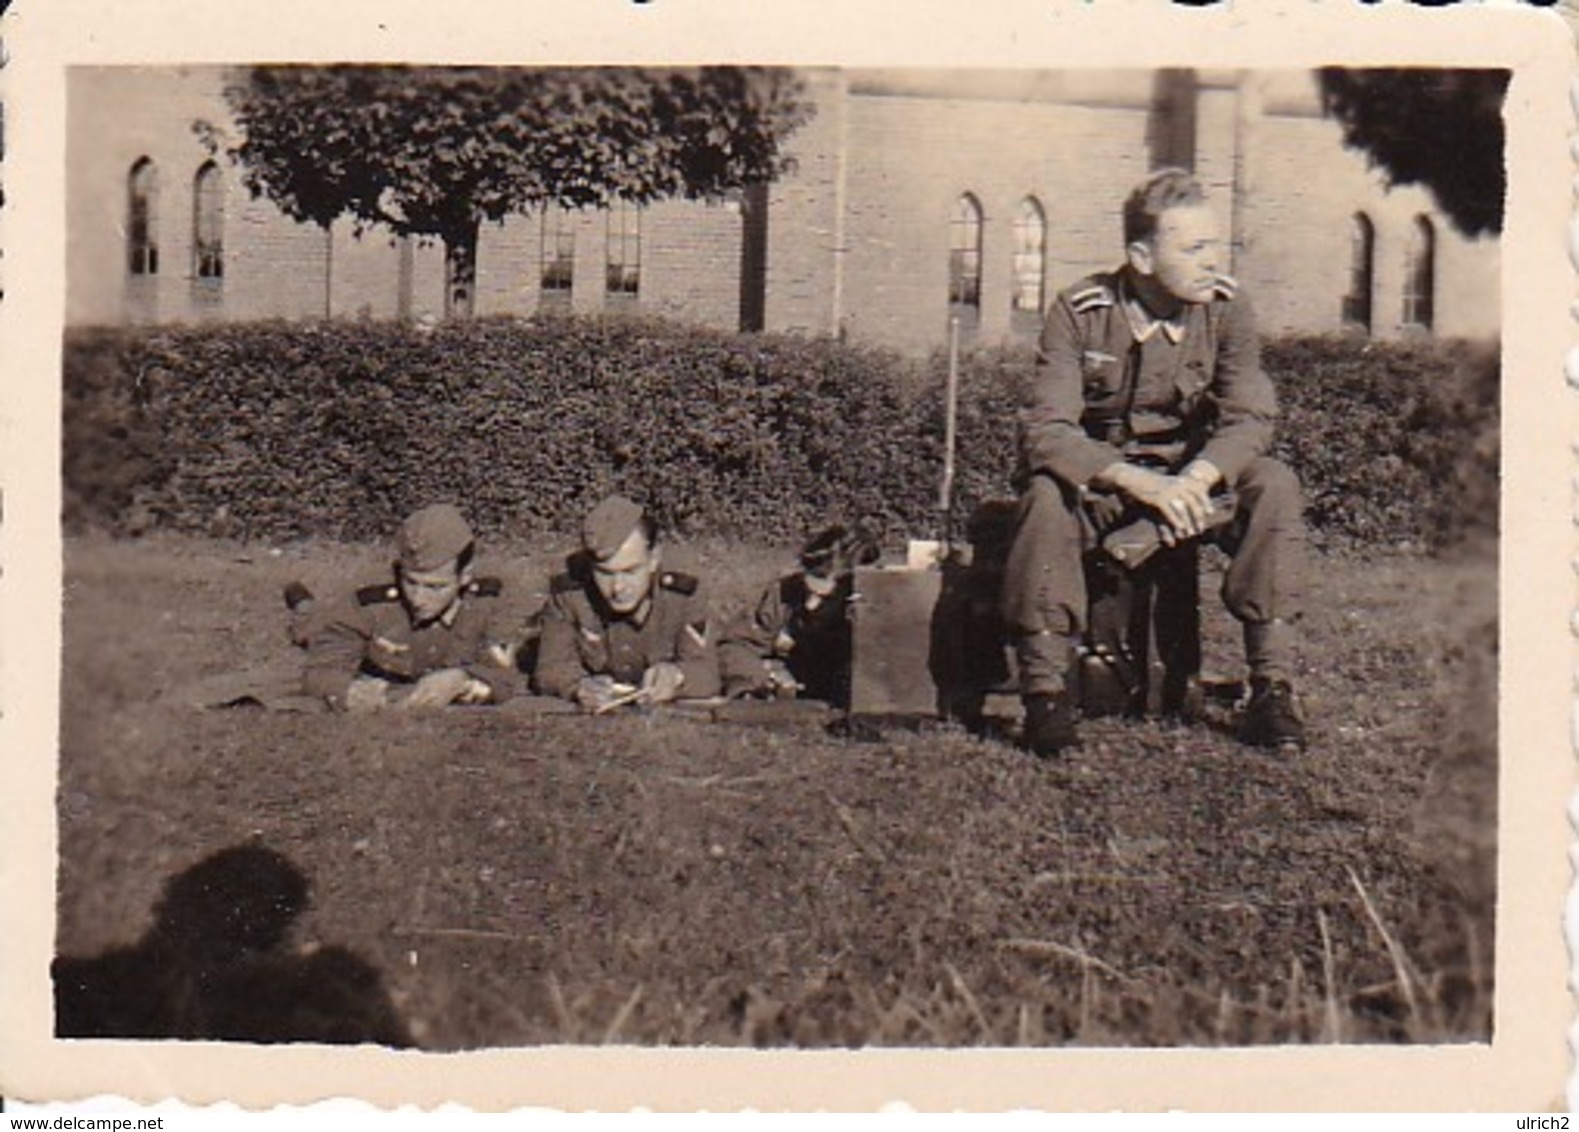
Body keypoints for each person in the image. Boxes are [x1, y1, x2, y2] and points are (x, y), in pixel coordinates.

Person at [1001, 168, 1307, 757]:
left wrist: (1195, 478)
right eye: (1192, 249)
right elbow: (1048, 431)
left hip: (1195, 483)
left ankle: (1272, 688)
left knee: (1274, 484)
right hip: (1108, 486)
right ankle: (1045, 695)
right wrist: (1137, 482)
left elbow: (1251, 418)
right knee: (1044, 496)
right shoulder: (1081, 310)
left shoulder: (1227, 309)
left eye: (1213, 244)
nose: (1211, 261)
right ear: (1141, 256)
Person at [300, 503, 525, 712]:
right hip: (326, 626)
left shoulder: (490, 605)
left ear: (464, 576)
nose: (418, 598)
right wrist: (350, 691)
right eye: (411, 582)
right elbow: (321, 671)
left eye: (435, 587)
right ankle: (302, 606)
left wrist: (462, 679)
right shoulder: (371, 604)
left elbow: (506, 676)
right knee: (308, 626)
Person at [533, 494, 721, 711]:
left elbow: (707, 672)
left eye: (630, 571)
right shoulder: (571, 596)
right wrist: (578, 687)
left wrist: (676, 677)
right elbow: (549, 668)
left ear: (653, 560)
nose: (618, 588)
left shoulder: (682, 597)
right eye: (605, 573)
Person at [718, 522, 880, 706]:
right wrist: (757, 680)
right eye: (811, 587)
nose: (811, 604)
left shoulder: (874, 608)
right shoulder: (784, 593)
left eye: (827, 597)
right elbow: (738, 644)